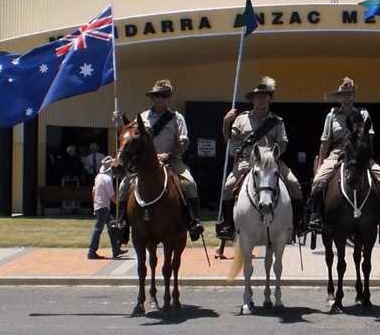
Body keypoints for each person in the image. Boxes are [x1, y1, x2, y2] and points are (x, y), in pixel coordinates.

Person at [114, 79, 204, 241]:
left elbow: (184, 142)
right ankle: (121, 224)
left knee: (190, 183)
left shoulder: (177, 118)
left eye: (163, 96)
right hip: (145, 163)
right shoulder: (142, 117)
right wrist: (118, 123)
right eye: (156, 96)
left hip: (172, 159)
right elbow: (129, 136)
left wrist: (168, 154)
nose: (160, 99)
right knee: (123, 186)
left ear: (169, 98)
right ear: (152, 98)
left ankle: (193, 222)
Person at [216, 76, 304, 240]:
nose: (260, 100)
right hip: (247, 161)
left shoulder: (277, 122)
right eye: (257, 97)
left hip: (271, 162)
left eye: (264, 97)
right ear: (253, 100)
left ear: (270, 100)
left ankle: (298, 224)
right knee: (228, 186)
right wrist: (226, 122)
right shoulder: (242, 119)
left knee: (294, 184)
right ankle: (228, 224)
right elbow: (230, 138)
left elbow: (283, 143)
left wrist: (271, 154)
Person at [307, 77, 380, 232]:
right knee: (319, 181)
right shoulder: (331, 116)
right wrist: (320, 162)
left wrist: (364, 153)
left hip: (359, 154)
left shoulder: (363, 114)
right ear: (339, 97)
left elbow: (370, 137)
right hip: (337, 153)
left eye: (350, 94)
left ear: (354, 96)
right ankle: (316, 216)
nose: (347, 98)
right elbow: (325, 141)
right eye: (344, 95)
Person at [87, 156, 126, 259]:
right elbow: (112, 196)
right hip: (104, 206)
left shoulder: (98, 177)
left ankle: (116, 250)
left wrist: (94, 205)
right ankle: (91, 251)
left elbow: (93, 191)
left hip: (100, 205)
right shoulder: (107, 179)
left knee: (111, 227)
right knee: (98, 229)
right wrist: (120, 204)